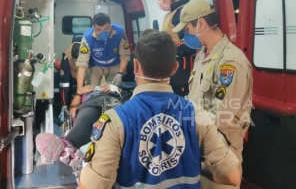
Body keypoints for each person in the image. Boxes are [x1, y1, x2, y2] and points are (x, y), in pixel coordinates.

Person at [75, 31, 241, 189]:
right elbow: (232, 177)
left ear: (136, 66)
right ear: (174, 68)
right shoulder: (197, 115)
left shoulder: (115, 122)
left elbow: (90, 186)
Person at [172, 0, 253, 189]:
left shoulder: (230, 62)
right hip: (197, 148)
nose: (186, 36)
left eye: (187, 30)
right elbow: (195, 100)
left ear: (201, 23)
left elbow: (221, 116)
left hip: (220, 152)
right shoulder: (202, 55)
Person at [36, 83, 121, 167]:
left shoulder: (112, 89)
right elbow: (73, 112)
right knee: (86, 117)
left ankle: (69, 144)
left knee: (90, 117)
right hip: (91, 104)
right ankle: (69, 144)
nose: (100, 87)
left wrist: (112, 87)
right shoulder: (87, 94)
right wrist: (80, 92)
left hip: (112, 101)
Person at [155, 0, 197, 97]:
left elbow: (190, 45)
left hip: (183, 71)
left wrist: (166, 48)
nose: (159, 2)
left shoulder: (182, 13)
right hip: (174, 66)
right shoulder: (172, 13)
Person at [76, 13, 130, 89]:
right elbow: (82, 65)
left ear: (110, 25)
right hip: (95, 66)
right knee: (91, 91)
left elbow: (125, 55)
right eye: (99, 30)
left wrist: (120, 73)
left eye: (106, 29)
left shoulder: (120, 33)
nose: (103, 32)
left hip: (115, 64)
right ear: (93, 27)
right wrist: (79, 90)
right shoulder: (87, 38)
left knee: (113, 91)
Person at [59, 42, 80, 108]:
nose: (76, 63)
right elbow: (64, 85)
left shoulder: (87, 54)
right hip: (71, 79)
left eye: (78, 61)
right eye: (74, 61)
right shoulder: (66, 60)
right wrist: (64, 105)